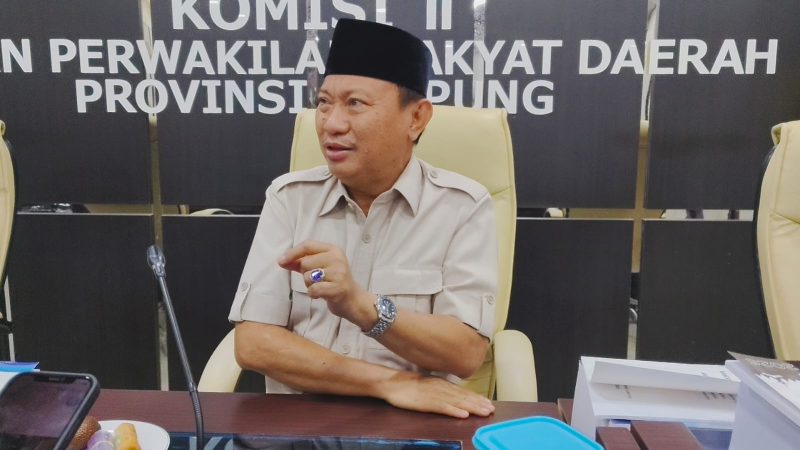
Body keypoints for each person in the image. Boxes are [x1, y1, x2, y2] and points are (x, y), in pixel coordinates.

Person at [228, 19, 498, 419]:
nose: (332, 123)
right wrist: (387, 383)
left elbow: (465, 353)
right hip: (299, 424)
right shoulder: (290, 198)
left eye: (355, 103)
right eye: (324, 103)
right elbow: (253, 343)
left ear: (417, 118)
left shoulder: (462, 206)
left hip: (412, 429)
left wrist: (360, 305)